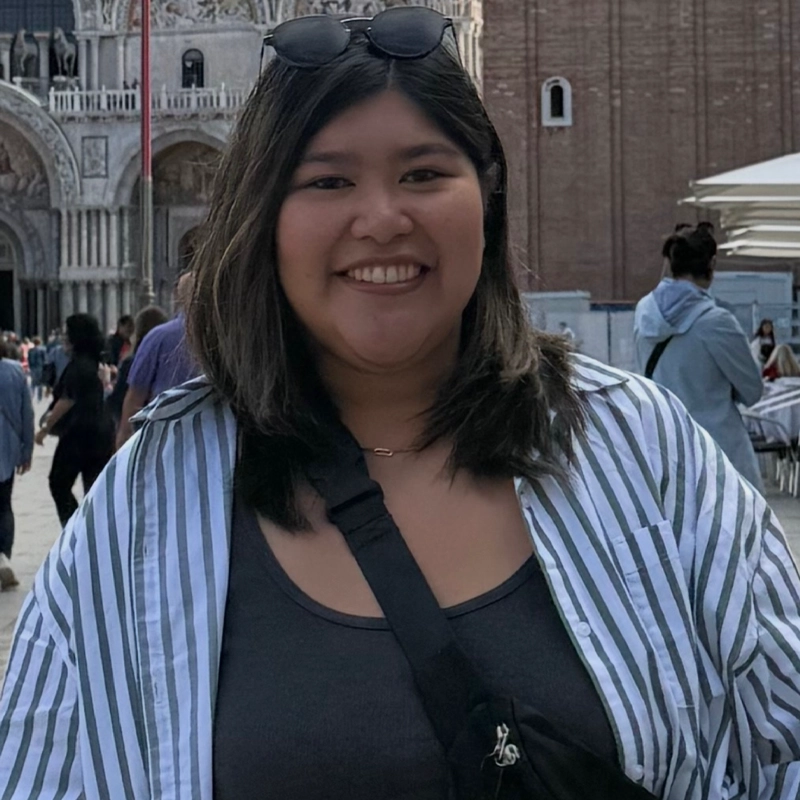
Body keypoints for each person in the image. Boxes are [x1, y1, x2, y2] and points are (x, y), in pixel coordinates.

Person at [3, 9, 800, 799]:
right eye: (328, 180)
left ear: (487, 200)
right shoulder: (144, 508)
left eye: (423, 174)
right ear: (261, 218)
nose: (383, 219)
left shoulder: (643, 449)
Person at [634, 225, 764, 491]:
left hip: (664, 454)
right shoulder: (717, 322)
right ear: (712, 263)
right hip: (720, 458)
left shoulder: (644, 312)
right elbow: (752, 391)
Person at [34, 313, 114, 527]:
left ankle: (75, 529)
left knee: (58, 483)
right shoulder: (95, 362)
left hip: (78, 434)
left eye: (66, 333)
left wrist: (45, 428)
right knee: (94, 489)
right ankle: (93, 531)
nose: (63, 338)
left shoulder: (79, 365)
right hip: (101, 433)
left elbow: (66, 400)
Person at [114, 270, 198, 449]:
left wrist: (124, 435)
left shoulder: (158, 337)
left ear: (177, 296)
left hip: (162, 436)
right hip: (210, 436)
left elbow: (136, 393)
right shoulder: (226, 338)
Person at [0, 338, 33, 591]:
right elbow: (26, 413)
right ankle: (3, 556)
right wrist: (27, 450)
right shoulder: (14, 371)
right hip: (7, 446)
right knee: (4, 503)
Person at [105, 304, 169, 429]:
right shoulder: (170, 360)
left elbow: (118, 402)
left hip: (138, 429)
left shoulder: (133, 362)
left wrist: (106, 386)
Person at [26, 335, 47, 401]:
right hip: (40, 367)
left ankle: (31, 395)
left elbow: (29, 359)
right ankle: (39, 397)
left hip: (33, 367)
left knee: (33, 383)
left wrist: (29, 367)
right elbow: (45, 359)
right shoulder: (43, 349)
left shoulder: (30, 350)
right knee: (40, 383)